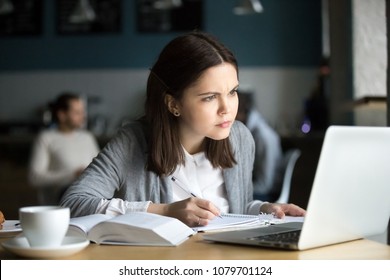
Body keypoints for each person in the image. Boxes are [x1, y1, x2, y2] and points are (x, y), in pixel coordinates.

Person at [60, 31, 305, 227]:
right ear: (173, 103)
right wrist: (164, 211)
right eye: (210, 97)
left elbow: (234, 211)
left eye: (232, 92)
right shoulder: (133, 141)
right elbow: (73, 204)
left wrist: (264, 209)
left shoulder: (239, 137)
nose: (226, 109)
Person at [29, 92, 100, 205]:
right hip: (59, 203)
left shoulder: (87, 137)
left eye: (82, 112)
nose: (83, 116)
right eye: (77, 112)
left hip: (91, 197)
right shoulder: (46, 138)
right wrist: (72, 175)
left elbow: (100, 168)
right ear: (62, 115)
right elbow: (34, 178)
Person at [236, 91, 284, 202]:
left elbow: (265, 185)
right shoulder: (250, 131)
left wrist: (235, 190)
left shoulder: (262, 136)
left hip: (267, 195)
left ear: (241, 111)